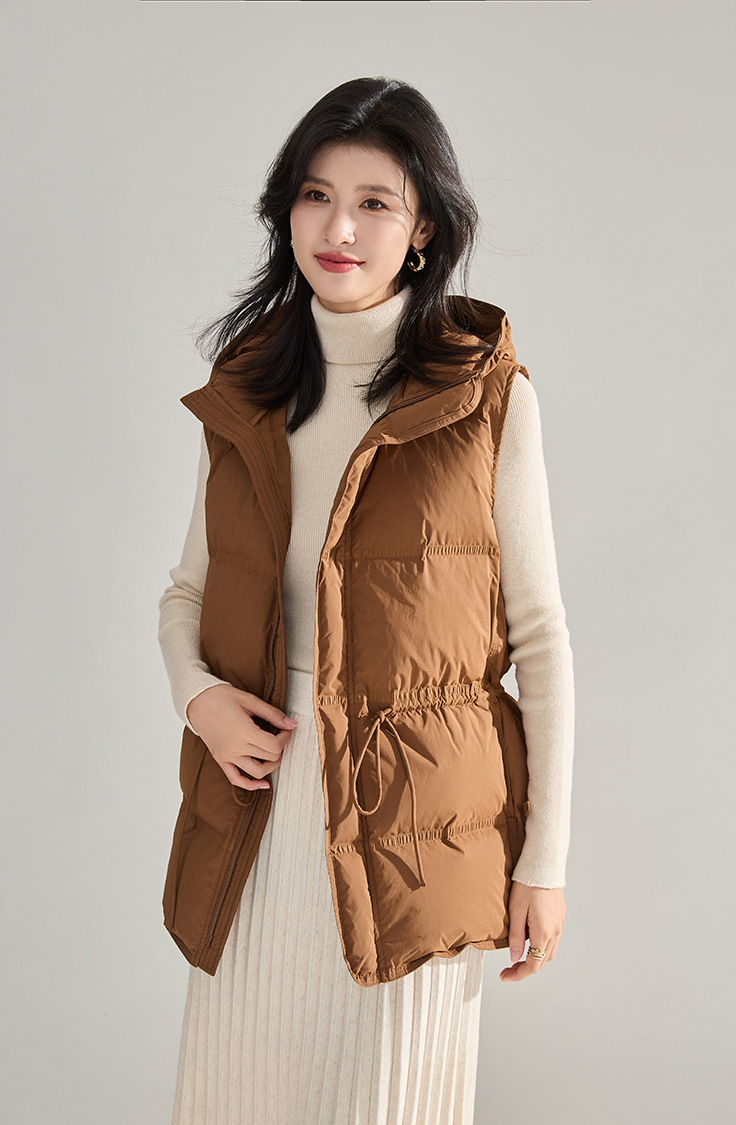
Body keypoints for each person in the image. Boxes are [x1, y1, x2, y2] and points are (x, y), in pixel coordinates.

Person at [158, 76, 575, 1125]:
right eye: (315, 195)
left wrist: (544, 861)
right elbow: (186, 591)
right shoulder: (248, 388)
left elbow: (542, 642)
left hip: (422, 834)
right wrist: (198, 700)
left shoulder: (485, 396)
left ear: (424, 227)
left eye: (375, 202)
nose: (338, 229)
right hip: (257, 813)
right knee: (234, 1100)